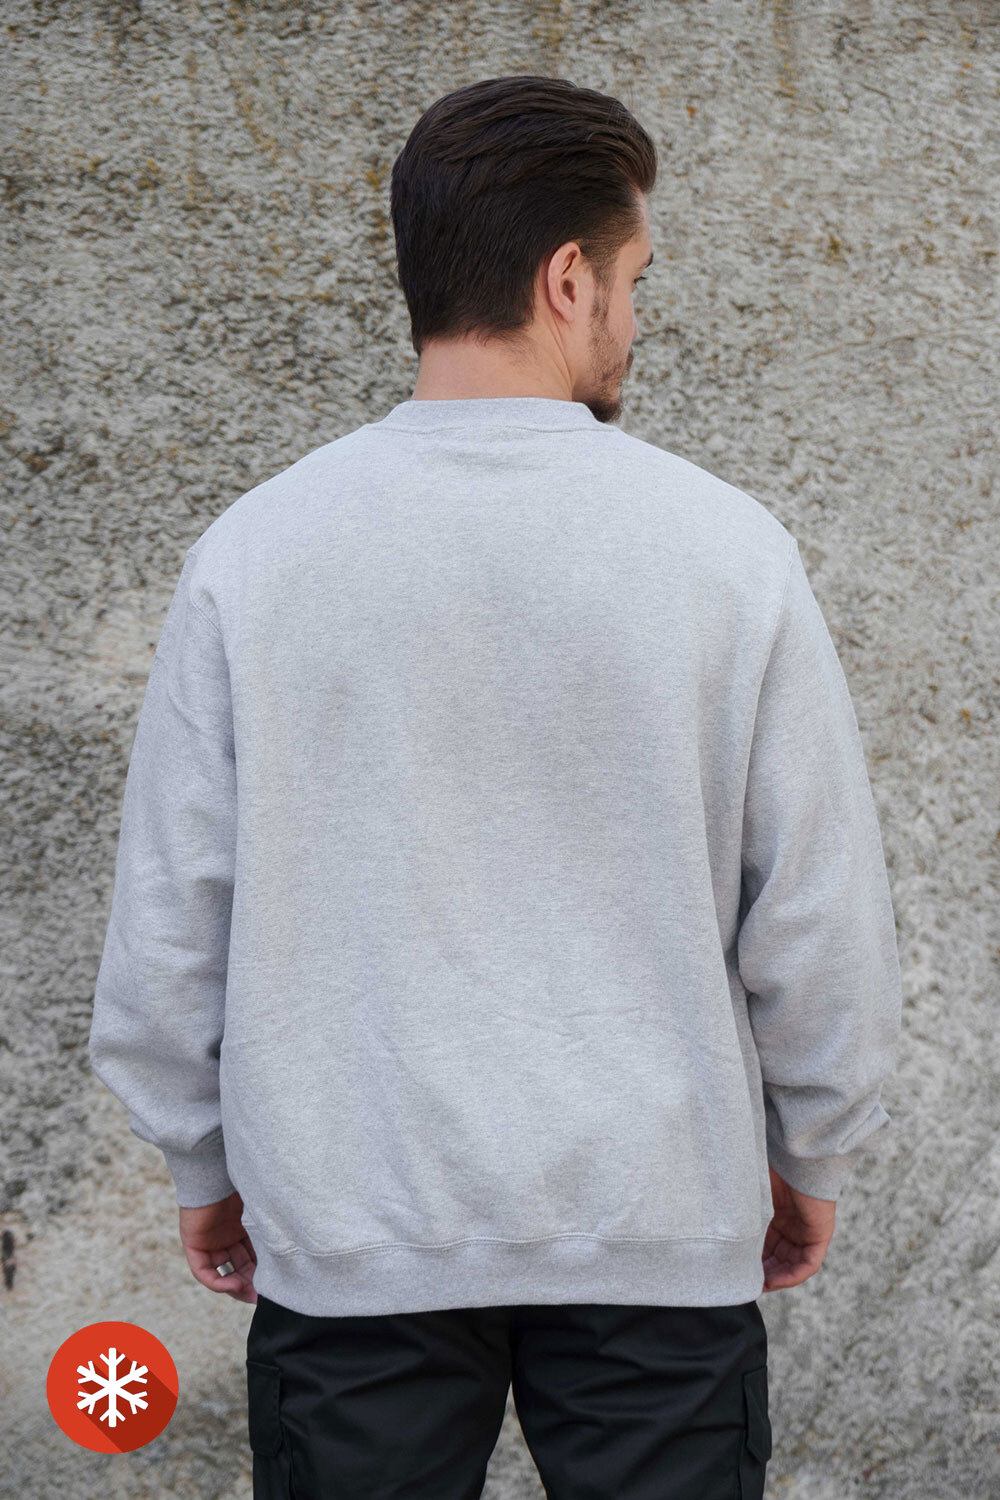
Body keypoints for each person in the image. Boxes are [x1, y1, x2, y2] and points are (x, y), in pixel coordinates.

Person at [88, 74, 903, 1500]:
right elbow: (818, 912)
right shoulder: (726, 552)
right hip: (655, 1226)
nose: (634, 320)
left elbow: (170, 920)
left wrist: (202, 1166)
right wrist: (811, 1150)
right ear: (568, 278)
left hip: (353, 1230)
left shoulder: (256, 555)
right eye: (635, 282)